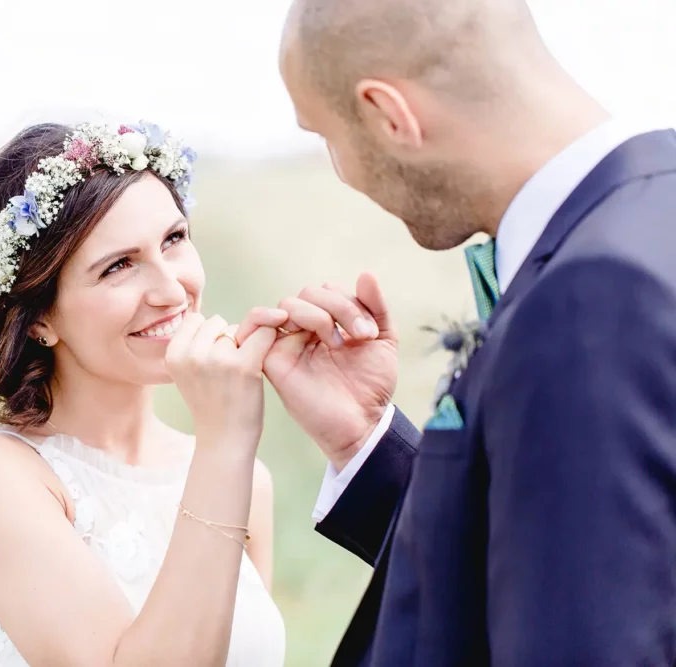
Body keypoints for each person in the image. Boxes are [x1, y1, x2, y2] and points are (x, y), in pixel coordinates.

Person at [245, 0, 676, 663]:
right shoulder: (647, 218)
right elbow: (578, 550)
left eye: (326, 135)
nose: (339, 170)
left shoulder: (589, 300)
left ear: (391, 115)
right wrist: (365, 441)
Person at [0, 121, 286, 666]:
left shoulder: (248, 482)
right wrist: (227, 439)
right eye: (119, 266)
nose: (171, 289)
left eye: (174, 239)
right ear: (40, 318)